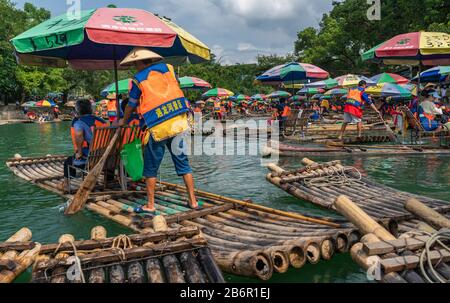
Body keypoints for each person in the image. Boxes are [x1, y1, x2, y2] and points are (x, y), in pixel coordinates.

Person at [120, 47, 199, 214]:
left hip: (156, 127)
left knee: (151, 168)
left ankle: (150, 204)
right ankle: (193, 201)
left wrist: (123, 121)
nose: (135, 66)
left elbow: (131, 105)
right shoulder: (168, 69)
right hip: (177, 122)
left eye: (135, 63)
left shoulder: (138, 80)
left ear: (139, 62)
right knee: (183, 164)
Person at [58, 99, 107, 192]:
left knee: (68, 161)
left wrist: (79, 152)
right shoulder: (102, 121)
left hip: (91, 160)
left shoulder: (79, 122)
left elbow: (79, 135)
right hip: (106, 159)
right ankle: (101, 180)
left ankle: (66, 185)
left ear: (78, 111)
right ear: (90, 109)